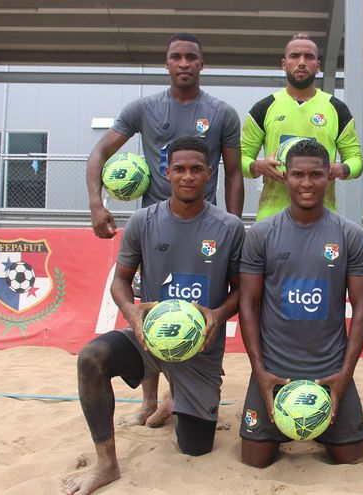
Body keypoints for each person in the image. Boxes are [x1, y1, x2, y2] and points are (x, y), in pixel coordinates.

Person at [66, 137, 245, 495]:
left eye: (196, 169)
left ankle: (174, 398)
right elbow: (120, 281)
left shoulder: (229, 227)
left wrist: (218, 313)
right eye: (180, 169)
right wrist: (132, 313)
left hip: (199, 349)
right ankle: (106, 464)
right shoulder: (143, 221)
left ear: (210, 173)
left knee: (195, 447)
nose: (188, 176)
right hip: (149, 338)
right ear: (166, 173)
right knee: (91, 359)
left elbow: (242, 291)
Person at [86, 32, 243, 428]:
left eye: (191, 57)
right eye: (176, 57)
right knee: (152, 304)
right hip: (154, 224)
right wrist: (96, 203)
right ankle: (149, 399)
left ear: (202, 64)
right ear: (167, 63)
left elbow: (234, 173)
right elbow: (100, 151)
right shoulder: (143, 107)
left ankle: (183, 391)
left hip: (204, 224)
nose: (184, 63)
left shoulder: (222, 113)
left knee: (199, 306)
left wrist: (234, 223)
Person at [238, 139, 363, 467]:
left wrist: (345, 374)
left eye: (316, 174)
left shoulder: (350, 235)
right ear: (285, 177)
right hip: (274, 371)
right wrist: (259, 372)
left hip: (330, 371)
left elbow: (362, 308)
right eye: (298, 174)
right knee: (255, 460)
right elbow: (248, 305)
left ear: (329, 177)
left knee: (351, 458)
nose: (307, 183)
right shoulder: (261, 234)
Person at [241, 32, 363, 221]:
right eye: (295, 56)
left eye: (309, 56)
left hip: (322, 219)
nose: (302, 62)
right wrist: (258, 166)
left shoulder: (336, 108)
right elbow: (241, 158)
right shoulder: (264, 108)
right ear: (284, 64)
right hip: (272, 218)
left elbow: (356, 160)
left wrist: (341, 169)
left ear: (318, 66)